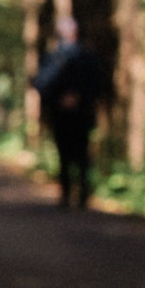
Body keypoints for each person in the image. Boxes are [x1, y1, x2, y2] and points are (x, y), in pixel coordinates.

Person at [35, 24, 111, 206]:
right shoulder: (54, 57)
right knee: (66, 153)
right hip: (62, 115)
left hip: (81, 114)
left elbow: (99, 83)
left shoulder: (85, 56)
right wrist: (60, 99)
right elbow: (41, 83)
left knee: (80, 153)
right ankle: (68, 193)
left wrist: (79, 98)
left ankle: (80, 194)